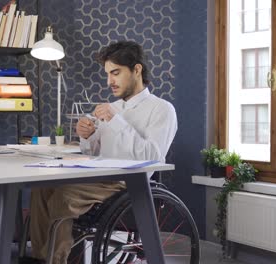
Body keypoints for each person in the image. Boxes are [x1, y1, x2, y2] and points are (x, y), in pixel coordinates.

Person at [22, 40, 177, 264]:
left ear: (137, 69)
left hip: (128, 181)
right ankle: (40, 258)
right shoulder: (114, 107)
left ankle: (55, 260)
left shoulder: (162, 109)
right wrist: (87, 136)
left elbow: (151, 157)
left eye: (115, 73)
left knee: (64, 197)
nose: (109, 81)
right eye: (107, 74)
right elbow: (96, 151)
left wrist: (116, 121)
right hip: (98, 175)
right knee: (41, 189)